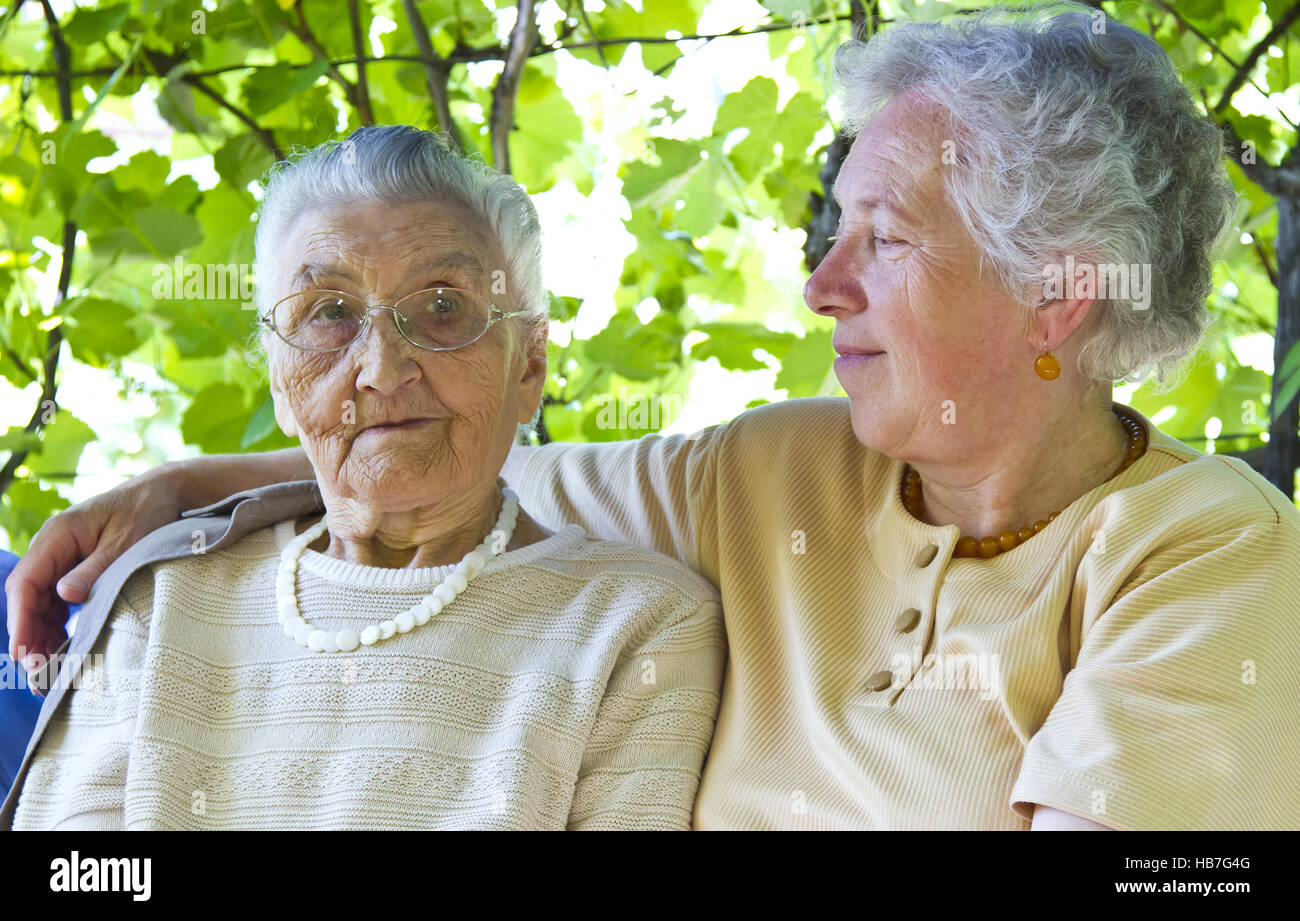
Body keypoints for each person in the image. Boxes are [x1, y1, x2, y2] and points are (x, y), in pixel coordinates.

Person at [8, 2, 1300, 830]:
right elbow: (461, 446)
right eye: (830, 226)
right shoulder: (779, 470)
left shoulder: (1202, 544)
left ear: (1057, 295)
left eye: (884, 239)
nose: (821, 282)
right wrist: (193, 484)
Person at [1, 126, 725, 830]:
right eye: (331, 314)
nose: (382, 366)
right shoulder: (163, 598)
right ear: (281, 386)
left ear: (528, 365)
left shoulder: (635, 625)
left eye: (444, 306)